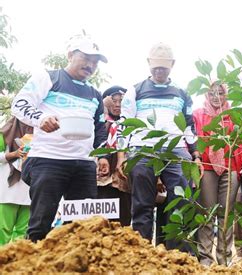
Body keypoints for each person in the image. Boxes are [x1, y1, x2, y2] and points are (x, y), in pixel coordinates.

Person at [11, 34, 109, 242]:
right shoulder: (49, 78)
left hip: (83, 164)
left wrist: (100, 154)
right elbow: (19, 104)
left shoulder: (95, 94)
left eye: (95, 62)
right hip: (48, 159)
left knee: (82, 226)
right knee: (41, 223)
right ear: (71, 55)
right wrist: (41, 119)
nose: (90, 65)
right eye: (86, 58)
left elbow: (101, 127)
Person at [119, 42, 201, 248]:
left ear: (172, 65)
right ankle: (142, 254)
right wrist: (122, 154)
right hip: (142, 150)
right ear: (148, 64)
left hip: (176, 151)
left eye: (163, 67)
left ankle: (177, 257)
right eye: (155, 67)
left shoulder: (181, 93)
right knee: (142, 205)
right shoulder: (135, 90)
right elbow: (124, 124)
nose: (159, 71)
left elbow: (189, 126)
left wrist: (196, 155)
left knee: (181, 203)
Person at [192, 82, 242, 266]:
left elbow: (239, 141)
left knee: (226, 214)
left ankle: (224, 259)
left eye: (220, 93)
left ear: (226, 95)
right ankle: (205, 259)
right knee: (207, 213)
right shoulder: (198, 114)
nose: (216, 97)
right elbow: (196, 139)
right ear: (206, 95)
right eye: (212, 93)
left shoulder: (232, 115)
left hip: (230, 168)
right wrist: (196, 158)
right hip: (207, 167)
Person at [96, 85, 132, 226]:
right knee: (101, 221)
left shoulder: (131, 125)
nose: (117, 105)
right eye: (114, 101)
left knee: (123, 219)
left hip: (123, 179)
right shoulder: (99, 123)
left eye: (121, 101)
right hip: (101, 179)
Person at [0, 117, 33, 245]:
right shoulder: (4, 134)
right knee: (3, 229)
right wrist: (12, 155)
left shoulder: (43, 136)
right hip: (7, 191)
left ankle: (17, 261)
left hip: (30, 191)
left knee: (23, 232)